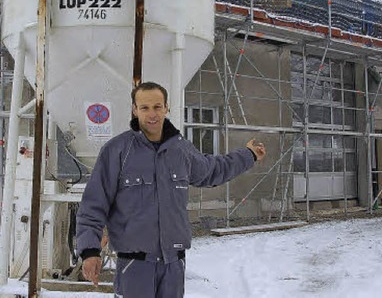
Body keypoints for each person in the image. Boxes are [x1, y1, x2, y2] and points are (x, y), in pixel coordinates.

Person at [76, 81, 266, 298]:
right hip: (134, 266)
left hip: (173, 266)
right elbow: (93, 205)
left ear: (167, 108)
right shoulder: (117, 151)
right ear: (134, 110)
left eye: (157, 107)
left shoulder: (181, 150)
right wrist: (90, 251)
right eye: (145, 108)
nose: (152, 114)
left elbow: (213, 170)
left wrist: (248, 155)